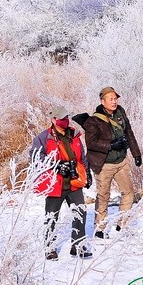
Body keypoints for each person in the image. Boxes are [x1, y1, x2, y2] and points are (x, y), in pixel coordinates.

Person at [30, 107, 93, 259]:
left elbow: (82, 157)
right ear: (53, 120)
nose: (64, 120)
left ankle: (77, 246)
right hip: (54, 184)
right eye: (61, 118)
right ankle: (50, 248)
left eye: (66, 117)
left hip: (73, 182)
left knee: (80, 212)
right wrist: (56, 165)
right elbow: (35, 158)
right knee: (52, 216)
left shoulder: (75, 135)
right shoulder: (43, 138)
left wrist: (87, 174)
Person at [81, 86, 142, 238]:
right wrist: (111, 145)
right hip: (104, 164)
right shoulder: (93, 121)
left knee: (128, 193)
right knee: (103, 196)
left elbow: (129, 133)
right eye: (111, 99)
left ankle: (123, 224)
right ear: (103, 102)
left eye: (115, 99)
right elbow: (91, 143)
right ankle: (100, 229)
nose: (114, 102)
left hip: (121, 161)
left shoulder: (120, 112)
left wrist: (136, 153)